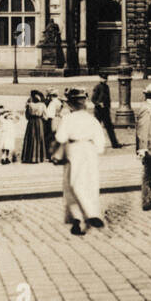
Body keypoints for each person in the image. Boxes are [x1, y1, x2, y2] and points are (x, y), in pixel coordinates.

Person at [55, 88, 108, 236]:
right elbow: (100, 143)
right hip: (90, 151)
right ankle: (89, 214)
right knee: (90, 184)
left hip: (74, 150)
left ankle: (81, 217)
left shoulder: (67, 119)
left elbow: (60, 137)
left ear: (70, 104)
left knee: (72, 186)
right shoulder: (92, 120)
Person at [91, 72, 123, 149]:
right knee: (96, 127)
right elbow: (93, 99)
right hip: (98, 111)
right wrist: (98, 103)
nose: (105, 80)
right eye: (103, 78)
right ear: (100, 79)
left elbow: (108, 99)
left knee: (109, 127)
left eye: (106, 79)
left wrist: (108, 107)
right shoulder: (97, 87)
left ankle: (114, 144)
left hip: (105, 111)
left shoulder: (106, 87)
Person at [21, 90, 48, 163]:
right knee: (39, 138)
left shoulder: (29, 105)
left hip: (31, 122)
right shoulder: (42, 105)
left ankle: (29, 157)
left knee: (31, 137)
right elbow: (45, 116)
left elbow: (27, 116)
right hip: (39, 122)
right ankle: (39, 157)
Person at [43, 87, 65, 157]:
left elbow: (49, 114)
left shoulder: (52, 103)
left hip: (53, 120)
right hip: (59, 119)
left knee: (50, 136)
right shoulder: (59, 101)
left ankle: (49, 153)